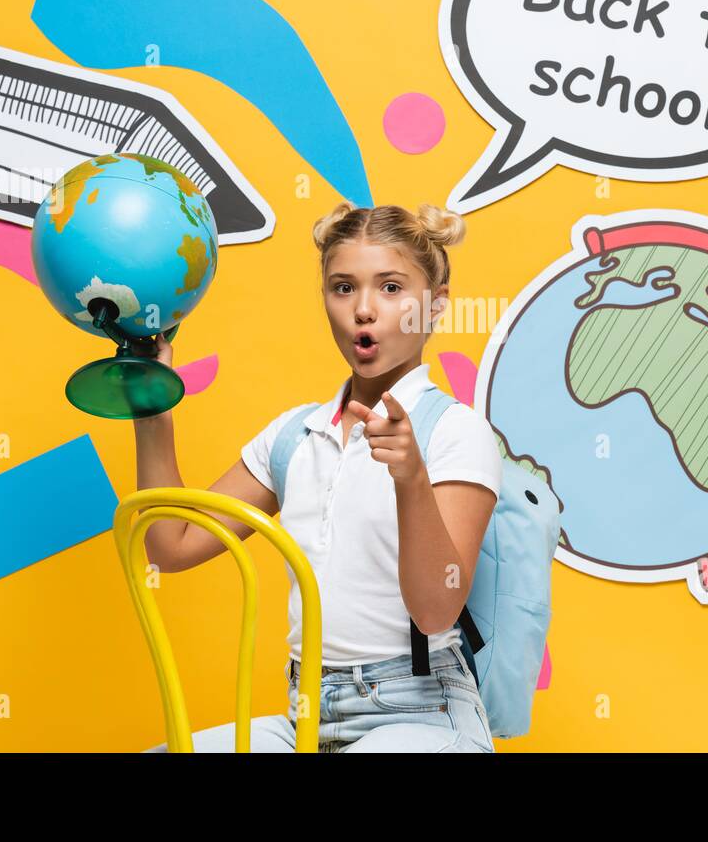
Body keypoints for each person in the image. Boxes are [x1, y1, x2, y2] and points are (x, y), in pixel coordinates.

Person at [135, 201, 502, 752]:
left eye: (392, 288)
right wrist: (152, 410)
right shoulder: (294, 436)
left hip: (422, 713)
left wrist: (410, 478)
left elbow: (435, 610)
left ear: (435, 307)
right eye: (344, 287)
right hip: (308, 712)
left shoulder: (455, 431)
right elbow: (172, 546)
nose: (364, 309)